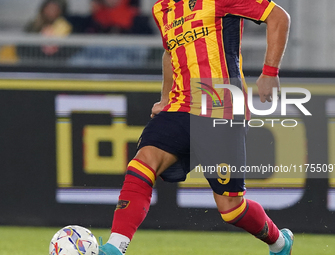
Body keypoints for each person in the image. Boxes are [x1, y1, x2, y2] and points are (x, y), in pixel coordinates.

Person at [99, 0, 292, 255]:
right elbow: (170, 53)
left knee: (231, 208)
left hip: (221, 108)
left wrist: (270, 72)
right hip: (180, 107)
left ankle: (279, 243)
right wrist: (166, 98)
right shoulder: (162, 9)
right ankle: (115, 247)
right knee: (142, 164)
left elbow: (278, 17)